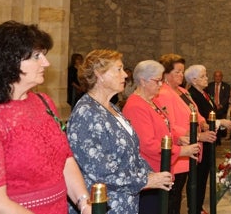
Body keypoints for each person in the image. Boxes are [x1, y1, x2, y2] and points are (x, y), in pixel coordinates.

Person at [0, 20, 92, 214]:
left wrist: (84, 202)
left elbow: (65, 159)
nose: (46, 63)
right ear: (8, 61)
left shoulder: (44, 102)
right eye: (36, 56)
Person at [67, 49, 173, 214]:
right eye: (118, 69)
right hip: (105, 205)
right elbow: (100, 170)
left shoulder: (112, 108)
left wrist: (153, 173)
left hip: (125, 202)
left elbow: (131, 154)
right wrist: (145, 180)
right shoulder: (86, 112)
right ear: (99, 74)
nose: (125, 75)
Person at [122, 60, 200, 214]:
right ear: (143, 81)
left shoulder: (152, 101)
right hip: (150, 170)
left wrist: (178, 138)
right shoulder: (136, 106)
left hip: (161, 167)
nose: (160, 85)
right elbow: (147, 145)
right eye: (157, 81)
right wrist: (181, 151)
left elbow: (165, 126)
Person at [154, 53, 216, 214]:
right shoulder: (164, 93)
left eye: (182, 71)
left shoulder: (183, 91)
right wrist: (197, 136)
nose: (182, 75)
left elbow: (194, 111)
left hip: (190, 148)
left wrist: (202, 122)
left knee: (184, 188)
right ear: (165, 74)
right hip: (178, 148)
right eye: (177, 72)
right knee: (174, 196)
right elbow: (170, 125)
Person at [185, 64, 231, 214]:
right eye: (203, 76)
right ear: (193, 80)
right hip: (201, 139)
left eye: (206, 75)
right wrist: (220, 123)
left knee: (204, 175)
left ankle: (198, 207)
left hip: (209, 139)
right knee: (198, 177)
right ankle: (193, 208)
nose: (207, 78)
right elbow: (203, 117)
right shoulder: (192, 95)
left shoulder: (204, 93)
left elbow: (212, 111)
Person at [206, 70, 231, 143]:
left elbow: (226, 98)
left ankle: (218, 138)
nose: (217, 77)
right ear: (213, 77)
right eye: (216, 76)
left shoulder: (226, 86)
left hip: (222, 107)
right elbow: (207, 97)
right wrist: (213, 105)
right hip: (212, 107)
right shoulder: (209, 86)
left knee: (218, 114)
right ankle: (211, 136)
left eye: (219, 76)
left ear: (222, 77)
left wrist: (220, 105)